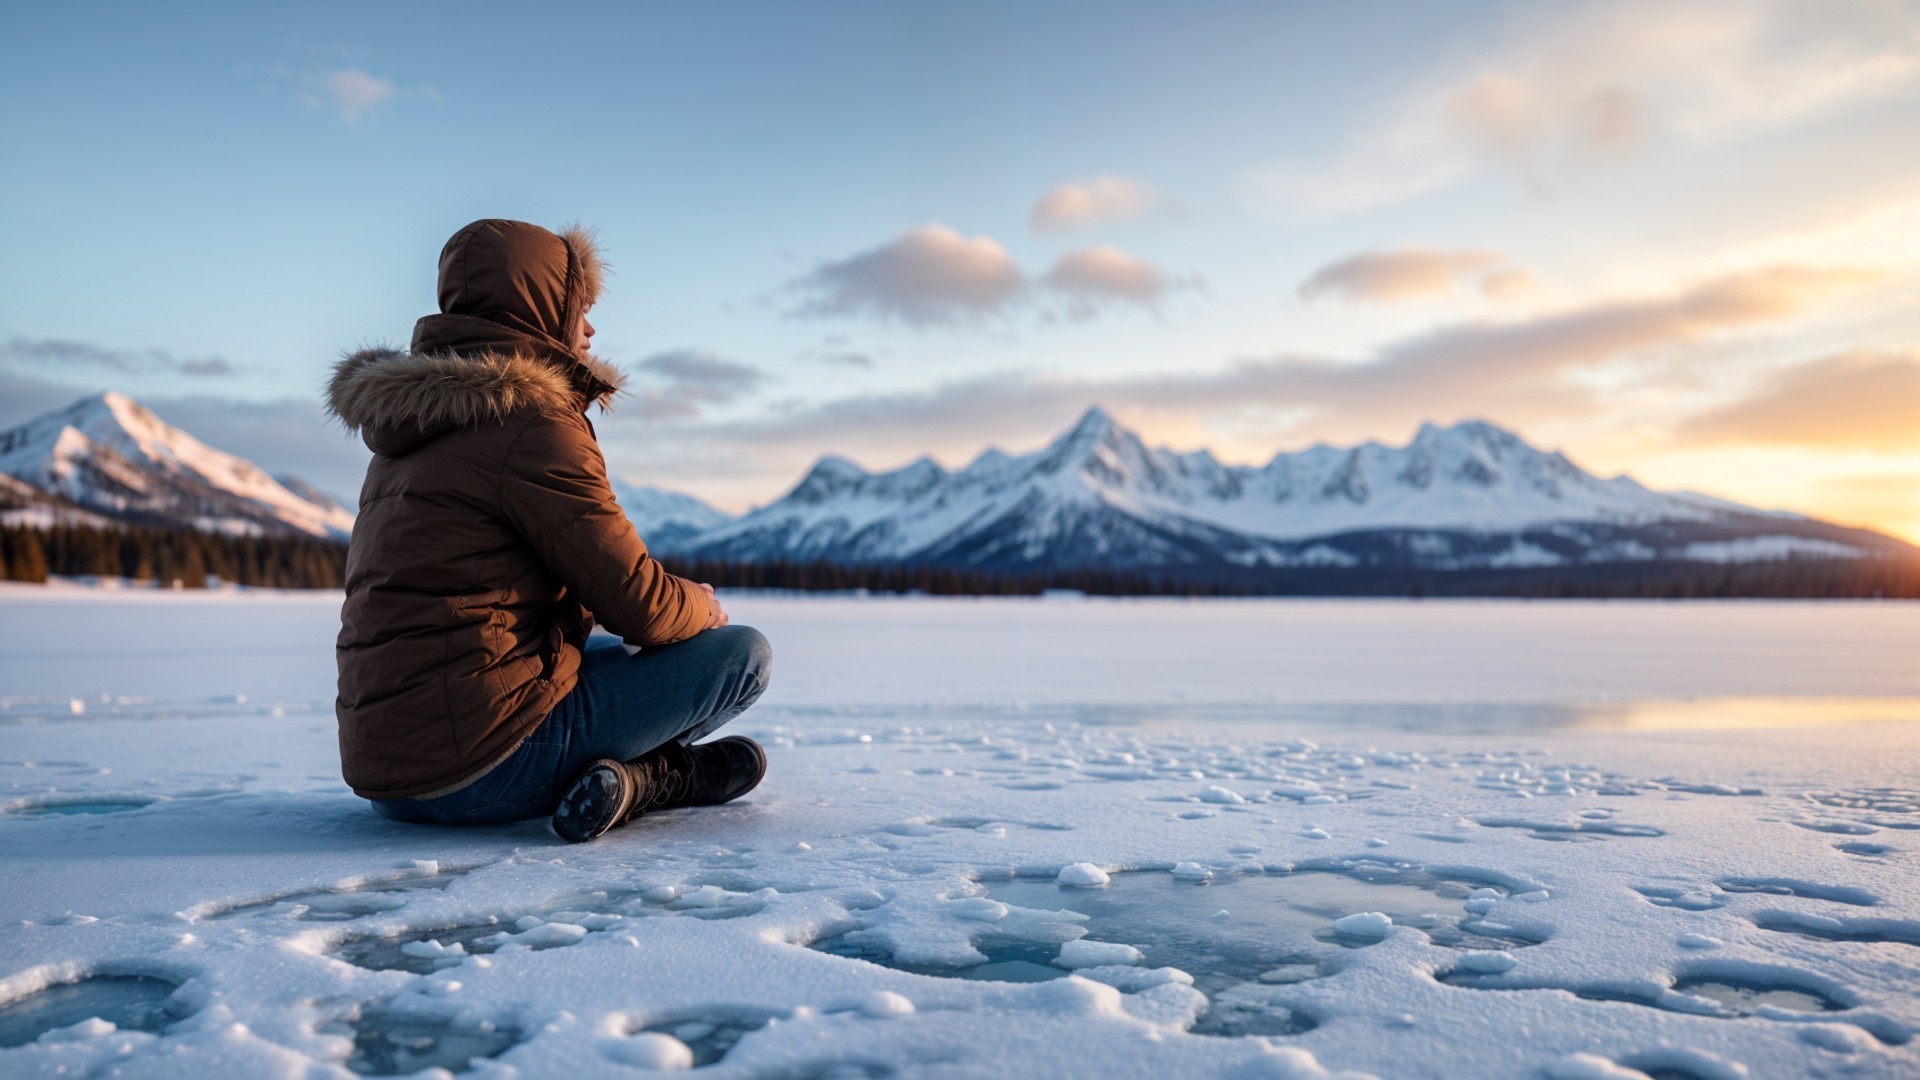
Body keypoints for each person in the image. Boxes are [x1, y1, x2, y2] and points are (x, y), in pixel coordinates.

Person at [325, 219, 770, 843]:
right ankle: (658, 779)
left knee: (604, 656)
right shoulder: (530, 420)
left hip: (392, 782)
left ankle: (619, 777)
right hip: (482, 770)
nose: (590, 330)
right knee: (740, 656)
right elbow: (639, 605)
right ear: (537, 313)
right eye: (579, 309)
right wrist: (701, 604)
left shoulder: (410, 429)